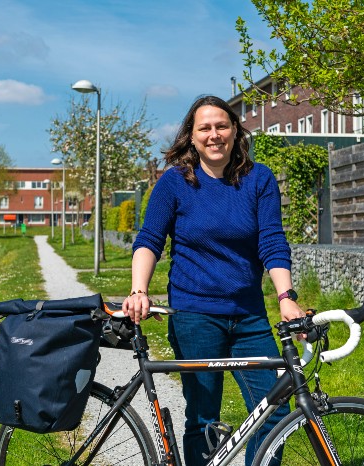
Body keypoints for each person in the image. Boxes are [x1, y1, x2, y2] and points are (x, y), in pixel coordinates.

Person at [122, 95, 304, 466]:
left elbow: (271, 241)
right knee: (203, 417)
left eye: (222, 125)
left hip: (249, 315)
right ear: (191, 136)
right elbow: (149, 240)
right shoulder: (175, 183)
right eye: (204, 127)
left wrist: (285, 296)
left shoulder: (259, 179)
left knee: (273, 411)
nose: (214, 134)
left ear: (235, 130)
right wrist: (138, 290)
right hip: (194, 315)